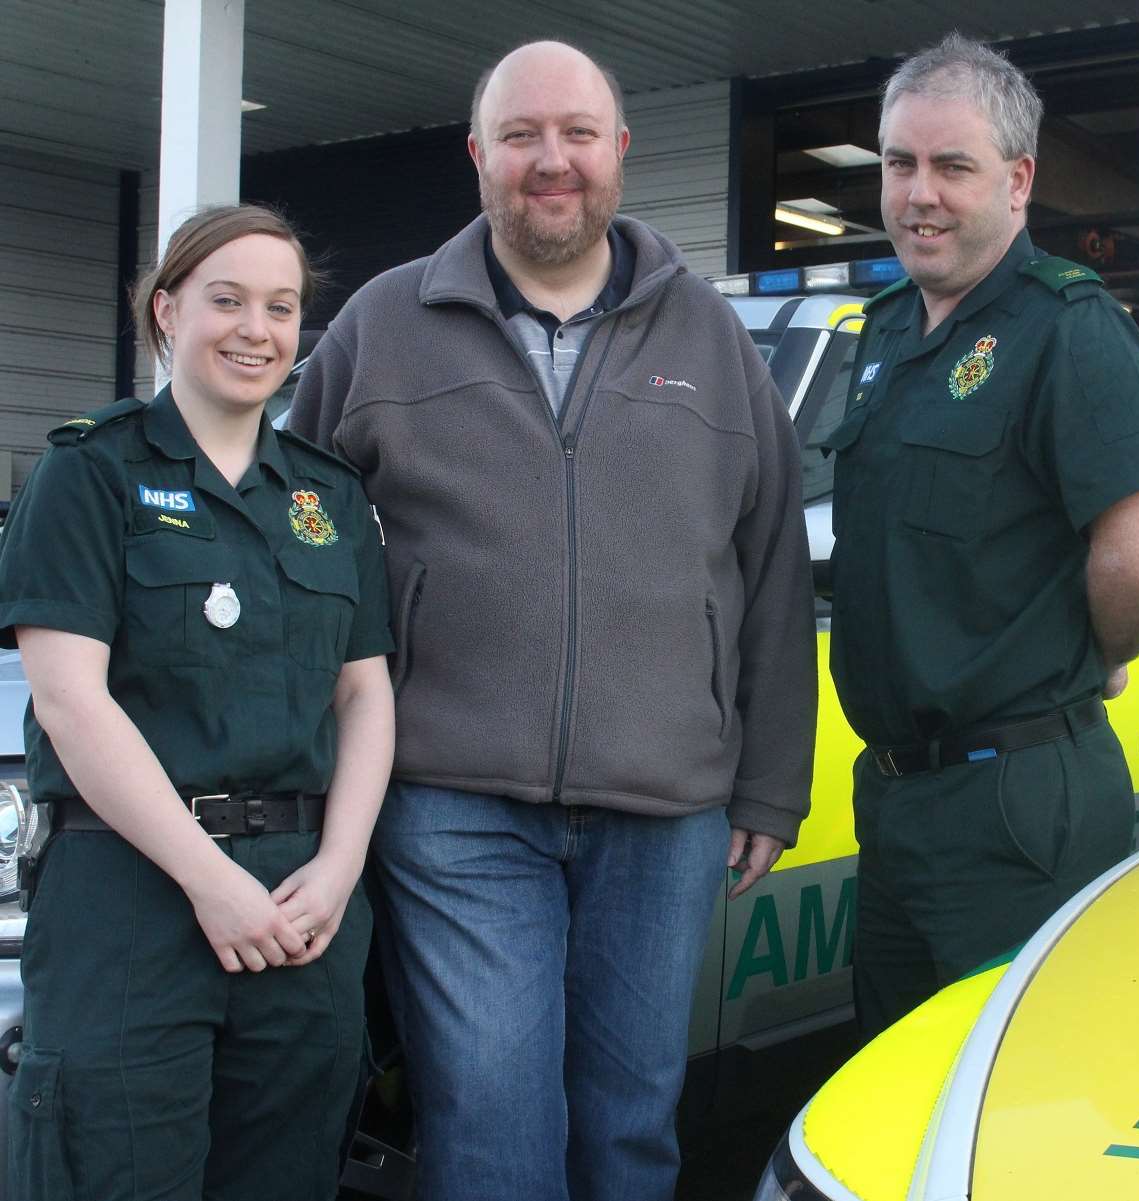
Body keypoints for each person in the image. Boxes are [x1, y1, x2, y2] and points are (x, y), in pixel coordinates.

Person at [287, 39, 816, 1201]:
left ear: (620, 154)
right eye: (520, 136)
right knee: (490, 1131)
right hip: (452, 804)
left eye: (576, 133)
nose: (550, 161)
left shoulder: (712, 340)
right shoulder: (383, 325)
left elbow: (773, 559)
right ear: (477, 158)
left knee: (630, 1129)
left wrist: (772, 781)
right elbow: (283, 532)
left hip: (666, 807)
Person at [0, 204, 396, 1201]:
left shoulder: (329, 499)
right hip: (129, 896)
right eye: (225, 300)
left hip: (299, 909)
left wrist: (341, 866)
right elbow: (70, 699)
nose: (255, 329)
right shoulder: (90, 473)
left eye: (281, 306)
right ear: (167, 311)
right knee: (116, 1172)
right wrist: (206, 878)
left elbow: (365, 694)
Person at [825, 33, 1139, 1039]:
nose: (917, 194)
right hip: (899, 792)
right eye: (898, 164)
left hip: (1014, 797)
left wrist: (1081, 656)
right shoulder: (888, 330)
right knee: (898, 1085)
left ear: (1018, 179)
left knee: (1010, 1091)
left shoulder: (1064, 327)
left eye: (951, 166)